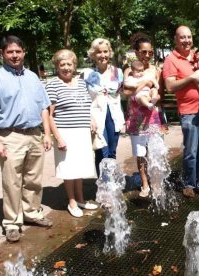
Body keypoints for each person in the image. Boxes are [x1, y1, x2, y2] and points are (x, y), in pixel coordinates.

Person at [0, 35, 53, 242]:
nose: (14, 55)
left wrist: (47, 134)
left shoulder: (33, 77)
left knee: (34, 180)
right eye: (10, 52)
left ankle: (32, 213)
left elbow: (44, 108)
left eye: (18, 51)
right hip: (10, 136)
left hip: (34, 135)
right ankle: (12, 222)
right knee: (12, 182)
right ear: (2, 54)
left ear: (24, 52)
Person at [162, 25, 199, 198]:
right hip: (189, 111)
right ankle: (189, 183)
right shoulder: (171, 60)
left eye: (189, 37)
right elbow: (169, 86)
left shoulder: (198, 56)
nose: (186, 41)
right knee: (191, 151)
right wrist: (191, 78)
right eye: (182, 37)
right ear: (176, 39)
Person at [46, 49, 98, 218]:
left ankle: (81, 199)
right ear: (57, 66)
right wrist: (57, 137)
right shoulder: (53, 84)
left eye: (69, 64)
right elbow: (49, 114)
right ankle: (72, 202)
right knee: (69, 170)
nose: (66, 68)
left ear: (74, 65)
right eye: (62, 65)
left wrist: (91, 119)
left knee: (80, 168)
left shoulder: (81, 82)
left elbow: (84, 105)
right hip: (65, 133)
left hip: (82, 132)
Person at [123, 33, 165, 197]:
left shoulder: (156, 70)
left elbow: (159, 93)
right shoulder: (129, 70)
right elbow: (126, 92)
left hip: (153, 116)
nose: (147, 55)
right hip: (136, 118)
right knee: (140, 153)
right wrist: (145, 83)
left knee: (156, 152)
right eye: (143, 52)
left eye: (150, 52)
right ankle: (145, 183)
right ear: (136, 52)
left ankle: (156, 182)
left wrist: (153, 94)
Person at [81, 38, 125, 175]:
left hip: (114, 116)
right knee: (101, 151)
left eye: (105, 51)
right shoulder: (87, 74)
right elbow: (82, 98)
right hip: (96, 117)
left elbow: (122, 94)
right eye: (99, 52)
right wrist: (89, 119)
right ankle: (103, 187)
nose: (103, 55)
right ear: (93, 54)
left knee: (112, 151)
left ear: (110, 53)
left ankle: (110, 185)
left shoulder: (118, 72)